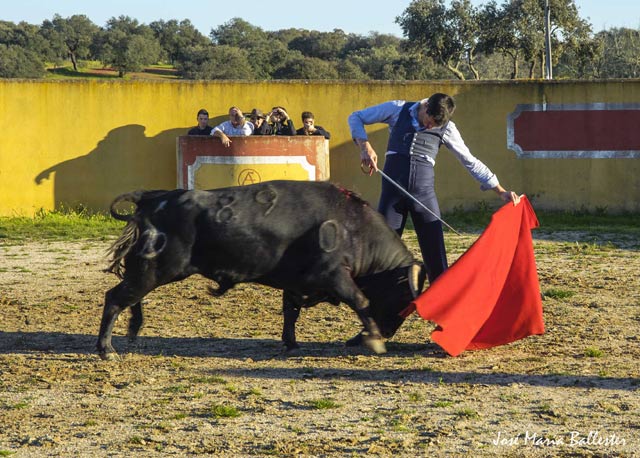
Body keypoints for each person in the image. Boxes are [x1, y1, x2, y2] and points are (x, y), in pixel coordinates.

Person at [348, 93, 521, 285]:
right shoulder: (397, 109)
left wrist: (500, 190)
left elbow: (469, 161)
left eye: (434, 126)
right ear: (425, 106)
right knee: (379, 251)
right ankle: (378, 301)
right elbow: (356, 117)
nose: (429, 127)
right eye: (429, 122)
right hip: (393, 195)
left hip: (424, 196)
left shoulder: (448, 129)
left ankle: (440, 306)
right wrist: (365, 146)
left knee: (436, 257)